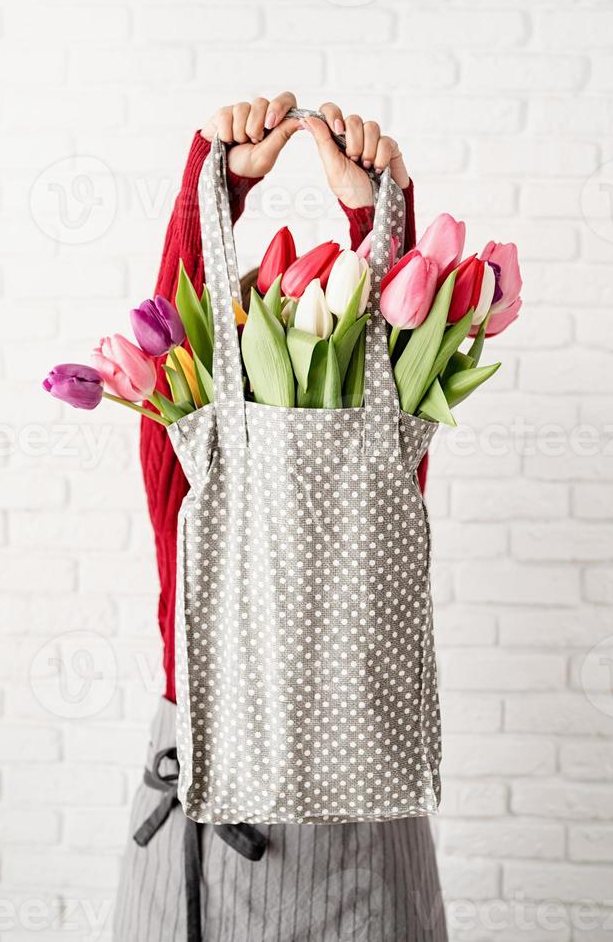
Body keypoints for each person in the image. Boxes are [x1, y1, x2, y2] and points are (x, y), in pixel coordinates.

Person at [114, 92, 446, 942]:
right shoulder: (192, 461)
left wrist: (376, 212)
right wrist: (209, 191)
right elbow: (166, 340)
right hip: (200, 813)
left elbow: (400, 368)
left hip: (364, 829)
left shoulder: (374, 463)